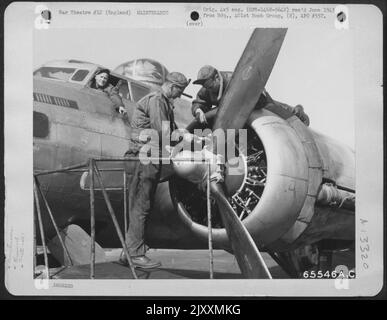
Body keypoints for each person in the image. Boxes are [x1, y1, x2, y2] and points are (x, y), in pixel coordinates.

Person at [120, 72, 190, 269]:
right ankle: (135, 254)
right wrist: (183, 136)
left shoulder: (165, 103)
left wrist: (184, 135)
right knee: (141, 205)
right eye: (179, 91)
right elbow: (164, 133)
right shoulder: (157, 100)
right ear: (172, 86)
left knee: (141, 205)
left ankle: (129, 252)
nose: (178, 96)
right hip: (144, 157)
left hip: (149, 157)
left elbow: (170, 131)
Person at [192, 65, 309, 126]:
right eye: (202, 84)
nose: (205, 87)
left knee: (275, 110)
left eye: (207, 83)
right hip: (235, 114)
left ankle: (297, 112)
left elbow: (257, 90)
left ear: (217, 77)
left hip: (258, 102)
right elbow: (199, 101)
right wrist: (198, 110)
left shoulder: (235, 80)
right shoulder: (207, 90)